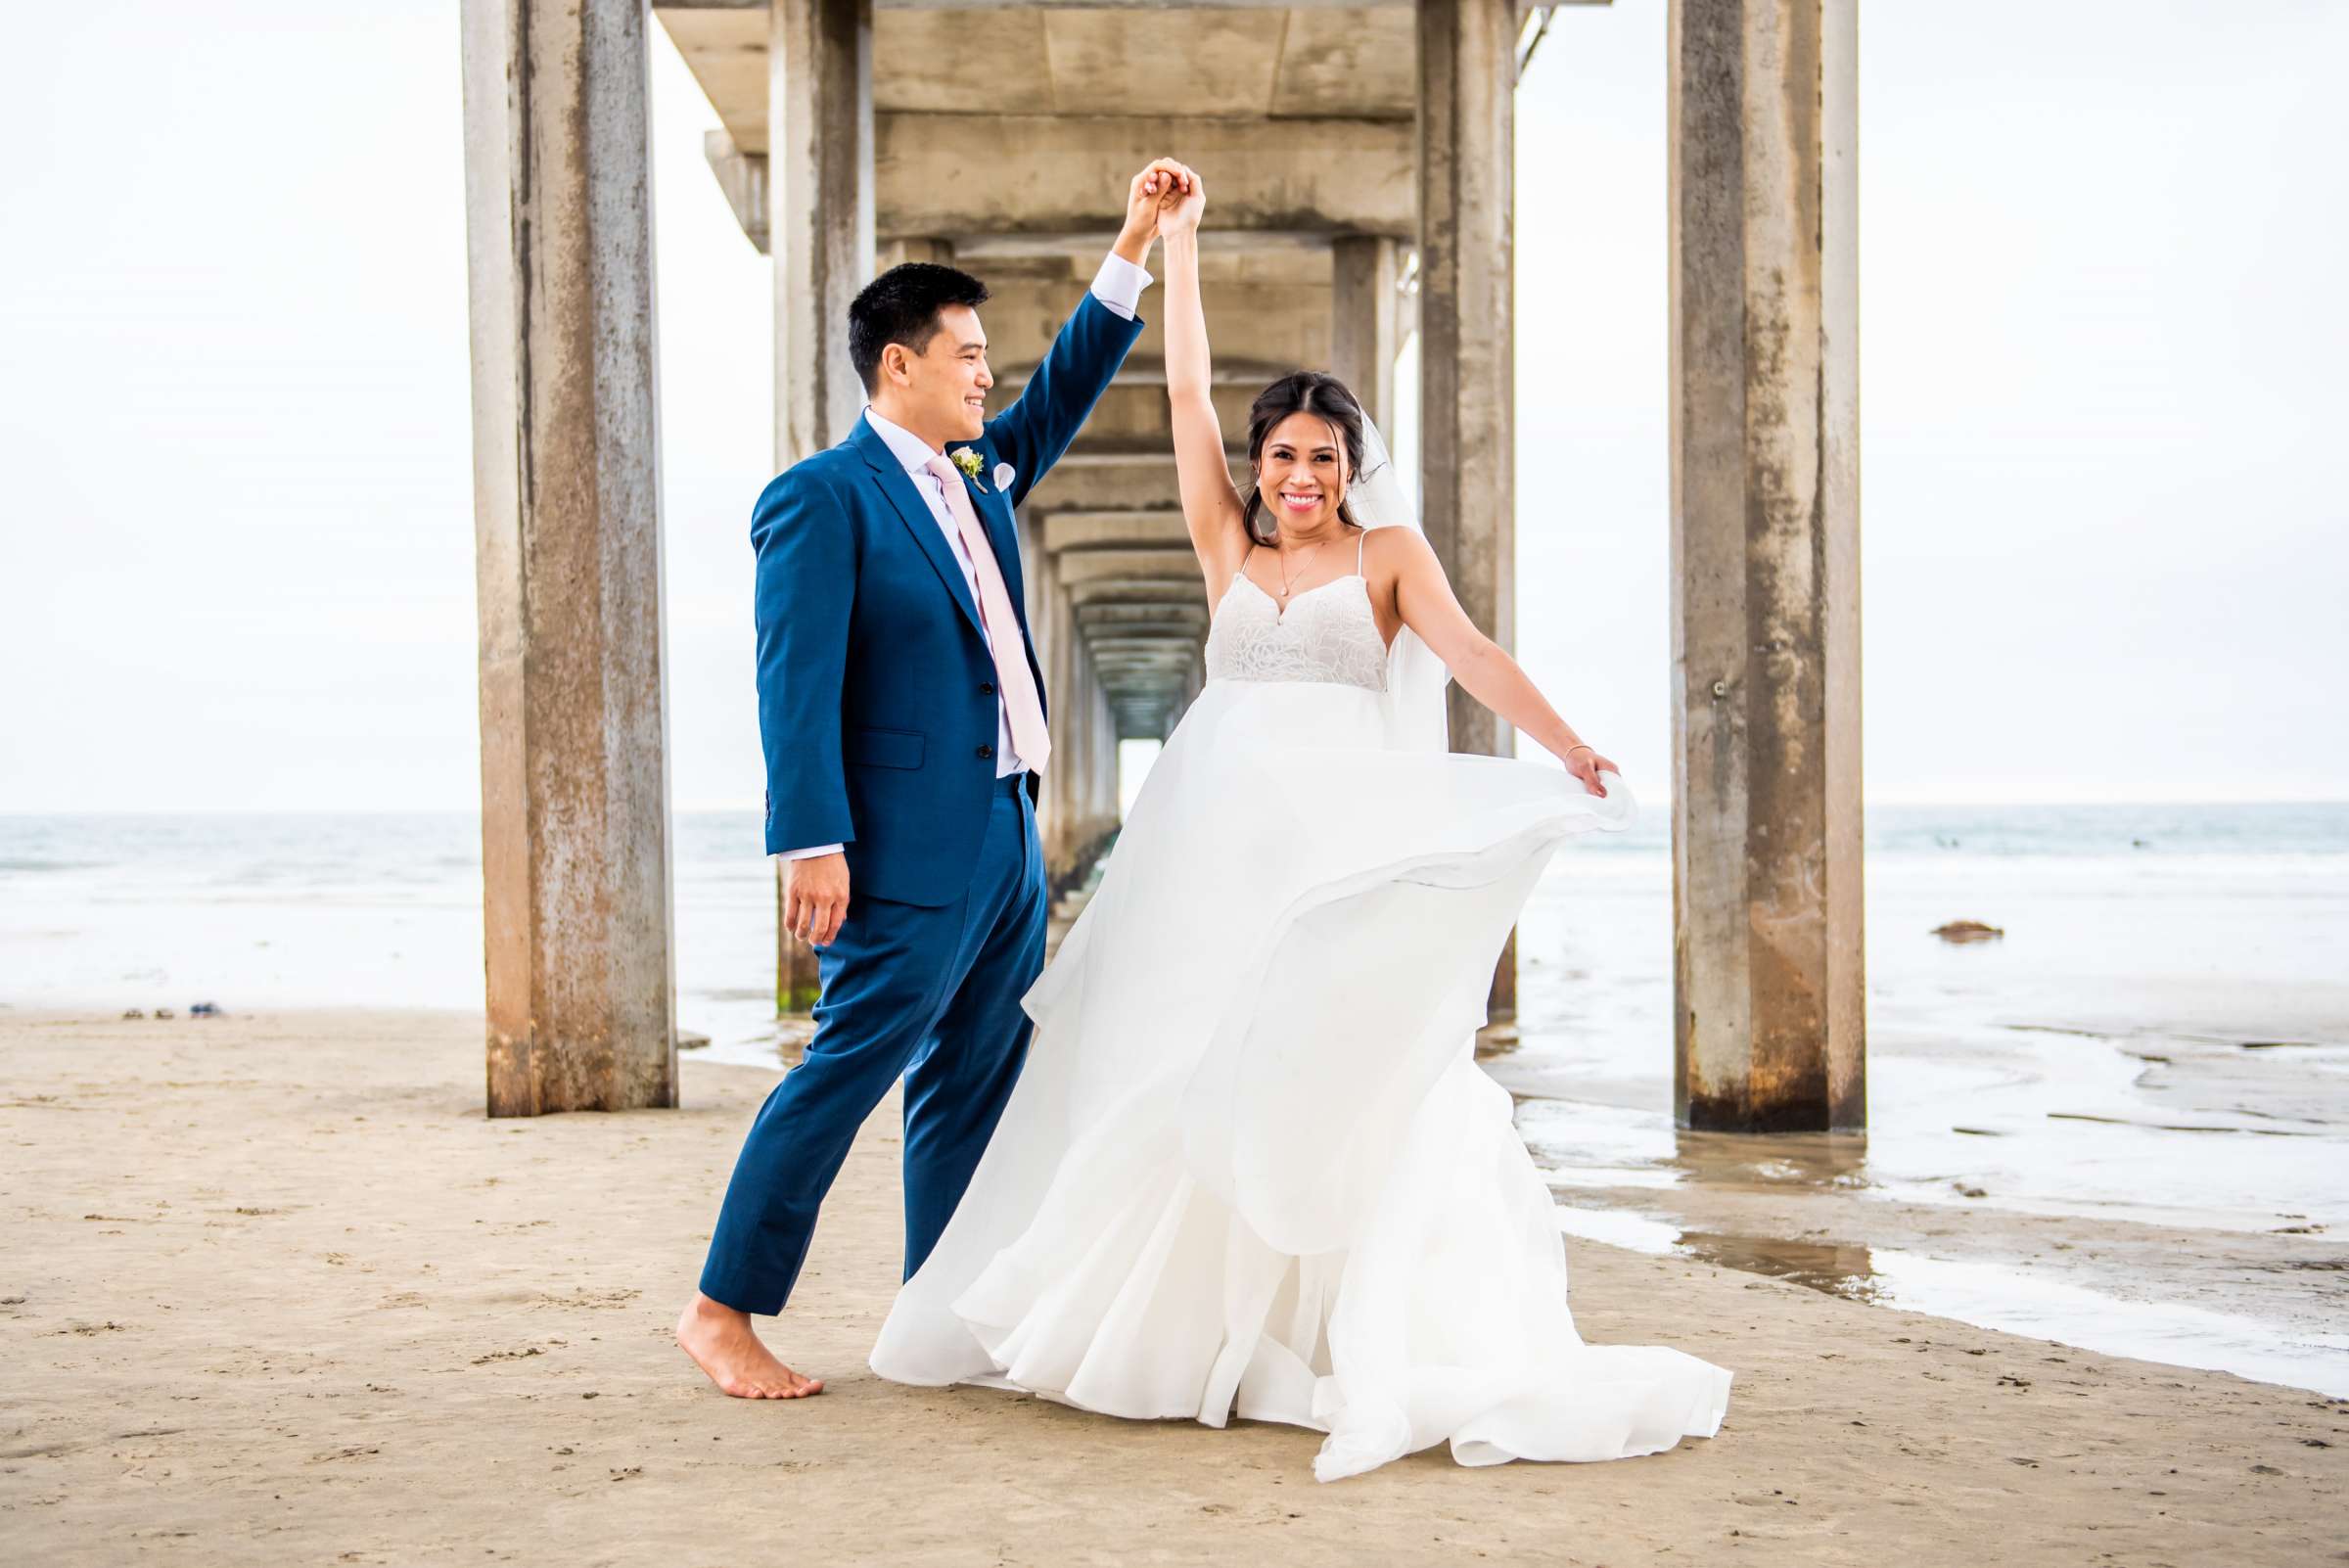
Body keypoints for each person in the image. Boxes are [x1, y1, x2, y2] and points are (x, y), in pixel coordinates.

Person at [869, 163, 1733, 1482]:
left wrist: (1566, 743)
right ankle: (1186, 1327)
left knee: (1334, 1069)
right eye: (1283, 454)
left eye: (1325, 457)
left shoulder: (1388, 558)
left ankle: (1330, 1327)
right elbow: (1186, 393)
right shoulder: (1231, 545)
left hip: (1335, 849)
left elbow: (1476, 654)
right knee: (1186, 1061)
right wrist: (1183, 247)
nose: (1302, 475)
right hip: (1217, 852)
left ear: (1352, 467)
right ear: (1261, 465)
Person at [677, 161, 1196, 1401]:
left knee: (970, 1086)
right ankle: (721, 1308)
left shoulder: (980, 481)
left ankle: (939, 1316)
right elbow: (791, 681)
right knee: (849, 1069)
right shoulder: (822, 498)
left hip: (1009, 836)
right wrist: (810, 838)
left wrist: (1134, 241)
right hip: (903, 846)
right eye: (964, 353)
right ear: (896, 365)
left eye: (986, 355)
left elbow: (1065, 386)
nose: (986, 373)